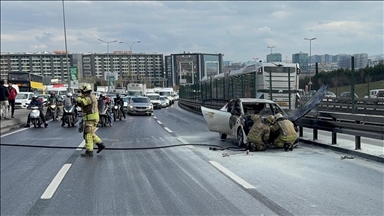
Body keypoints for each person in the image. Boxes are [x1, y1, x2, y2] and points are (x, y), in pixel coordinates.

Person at [76, 83, 105, 157]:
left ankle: (89, 151)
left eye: (81, 91)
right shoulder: (90, 96)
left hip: (91, 119)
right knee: (90, 133)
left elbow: (81, 102)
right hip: (90, 118)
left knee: (88, 134)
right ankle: (100, 144)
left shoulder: (89, 98)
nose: (80, 92)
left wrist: (78, 97)